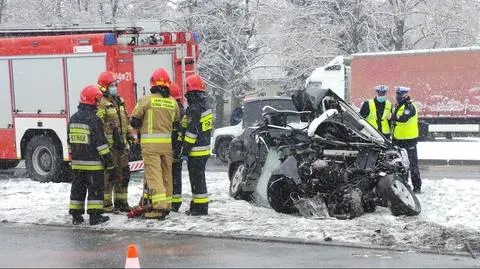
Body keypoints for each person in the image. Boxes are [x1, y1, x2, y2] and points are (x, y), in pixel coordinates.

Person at [130, 68, 181, 220]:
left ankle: (159, 207)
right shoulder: (173, 102)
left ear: (153, 83)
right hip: (167, 146)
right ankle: (167, 203)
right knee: (166, 175)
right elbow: (176, 122)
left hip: (150, 146)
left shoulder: (146, 100)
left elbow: (134, 120)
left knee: (154, 175)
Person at [68, 85, 114, 225]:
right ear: (93, 100)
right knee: (95, 190)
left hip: (77, 163)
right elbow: (100, 142)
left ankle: (76, 216)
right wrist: (108, 159)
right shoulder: (93, 119)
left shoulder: (73, 118)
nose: (99, 102)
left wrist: (73, 156)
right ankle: (95, 217)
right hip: (93, 163)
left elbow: (69, 141)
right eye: (97, 99)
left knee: (78, 189)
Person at [96, 71, 135, 213]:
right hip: (110, 147)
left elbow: (126, 119)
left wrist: (130, 136)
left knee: (123, 174)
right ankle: (106, 205)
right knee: (109, 175)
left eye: (115, 85)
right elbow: (98, 125)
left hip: (121, 146)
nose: (114, 88)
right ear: (104, 87)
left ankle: (122, 202)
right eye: (112, 85)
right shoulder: (101, 103)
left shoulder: (119, 101)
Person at [181, 74, 212, 216]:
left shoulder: (194, 108)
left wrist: (185, 151)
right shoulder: (205, 106)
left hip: (196, 151)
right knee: (199, 180)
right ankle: (198, 206)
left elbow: (192, 132)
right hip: (204, 150)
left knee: (197, 181)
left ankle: (200, 209)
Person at [391, 86, 422, 194]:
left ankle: (417, 186)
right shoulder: (398, 106)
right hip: (398, 139)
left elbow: (404, 118)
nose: (398, 96)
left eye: (400, 94)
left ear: (405, 95)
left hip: (409, 139)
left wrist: (392, 117)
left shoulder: (410, 106)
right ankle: (403, 184)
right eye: (397, 94)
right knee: (400, 164)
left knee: (413, 164)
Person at [170, 82, 186, 212]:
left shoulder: (174, 110)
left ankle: (173, 203)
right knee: (176, 176)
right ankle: (175, 202)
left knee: (171, 176)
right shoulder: (181, 109)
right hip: (177, 148)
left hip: (172, 148)